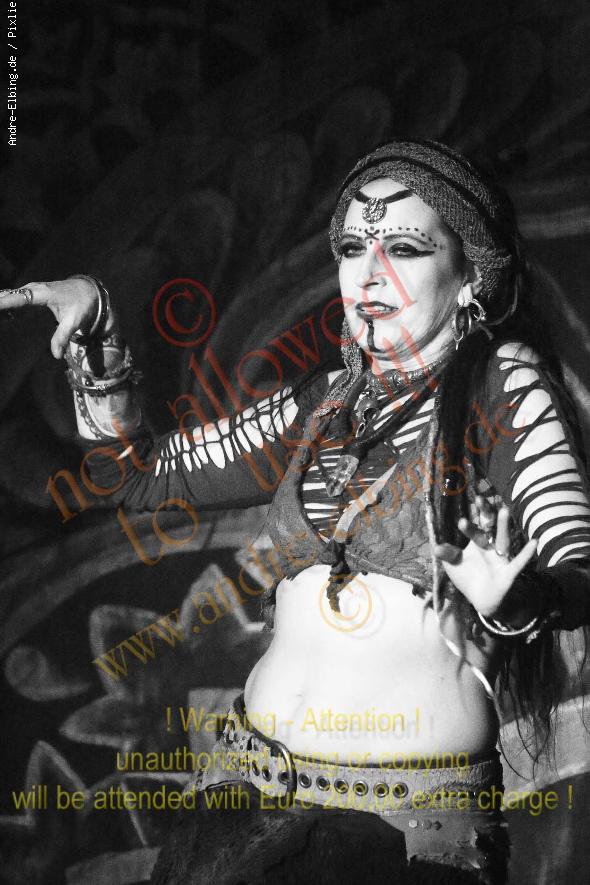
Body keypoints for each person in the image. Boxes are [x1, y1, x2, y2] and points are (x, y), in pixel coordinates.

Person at [3, 139, 590, 884]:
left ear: (473, 271)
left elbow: (579, 567)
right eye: (351, 248)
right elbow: (143, 476)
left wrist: (519, 602)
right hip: (244, 797)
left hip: (404, 832)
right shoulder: (325, 402)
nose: (369, 274)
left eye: (404, 248)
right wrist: (100, 346)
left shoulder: (504, 387)